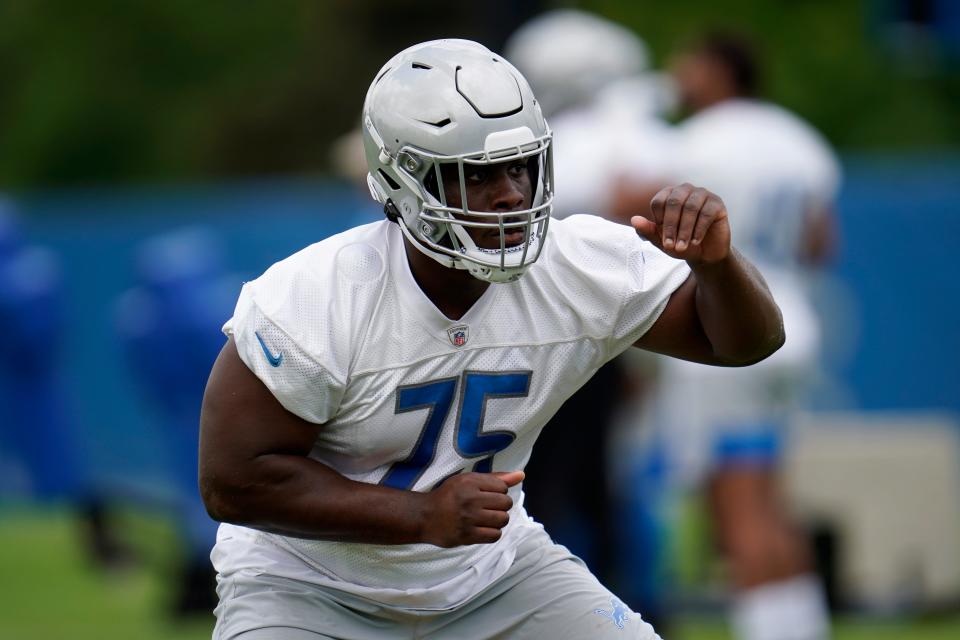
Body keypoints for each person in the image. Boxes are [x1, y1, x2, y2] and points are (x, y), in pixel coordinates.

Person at [198, 39, 785, 640]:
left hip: (490, 576)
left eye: (520, 166)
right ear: (405, 182)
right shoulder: (318, 296)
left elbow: (741, 343)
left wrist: (719, 267)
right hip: (309, 587)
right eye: (476, 175)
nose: (510, 194)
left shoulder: (577, 264)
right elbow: (234, 481)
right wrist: (421, 514)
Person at [641, 31, 840, 640]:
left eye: (689, 61)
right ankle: (800, 628)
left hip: (728, 327)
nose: (678, 72)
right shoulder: (801, 140)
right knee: (768, 497)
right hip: (793, 321)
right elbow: (820, 243)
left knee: (736, 508)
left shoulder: (694, 142)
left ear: (719, 70)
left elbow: (643, 215)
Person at [502, 9, 678, 622]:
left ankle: (605, 603)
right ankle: (621, 602)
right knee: (587, 481)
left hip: (569, 335)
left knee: (559, 481)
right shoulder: (637, 136)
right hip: (594, 335)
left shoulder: (572, 147)